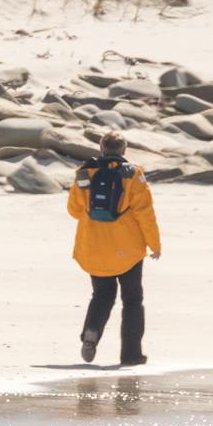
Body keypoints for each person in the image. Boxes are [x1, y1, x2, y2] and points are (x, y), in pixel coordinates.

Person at [67, 130, 159, 367]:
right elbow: (145, 214)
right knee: (132, 300)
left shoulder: (85, 172)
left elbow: (75, 211)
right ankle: (131, 355)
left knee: (102, 295)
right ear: (124, 150)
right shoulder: (133, 174)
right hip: (128, 249)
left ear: (101, 148)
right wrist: (154, 244)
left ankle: (92, 331)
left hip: (94, 247)